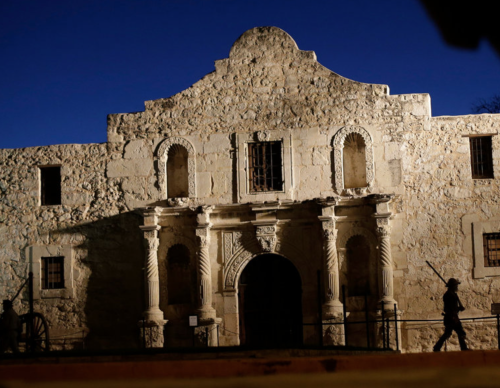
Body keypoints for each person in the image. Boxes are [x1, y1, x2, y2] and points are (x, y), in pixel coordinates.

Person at [433, 278, 468, 351]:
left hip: (452, 316)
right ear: (453, 286)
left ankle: (437, 347)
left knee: (455, 332)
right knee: (456, 332)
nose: (456, 287)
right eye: (455, 285)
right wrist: (459, 308)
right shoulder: (449, 295)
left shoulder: (451, 294)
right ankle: (437, 347)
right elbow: (451, 308)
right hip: (451, 317)